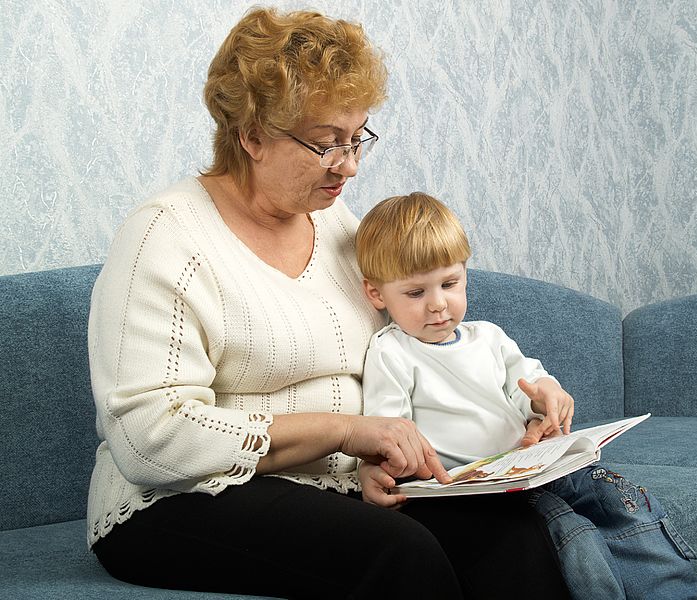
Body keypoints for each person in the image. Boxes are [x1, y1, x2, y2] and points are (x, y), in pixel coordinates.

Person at [86, 8, 571, 600]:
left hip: (338, 486)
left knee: (513, 535)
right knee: (401, 552)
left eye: (356, 138)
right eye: (324, 144)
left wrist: (513, 411)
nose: (348, 165)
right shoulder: (165, 238)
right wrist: (344, 432)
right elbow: (148, 437)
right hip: (178, 500)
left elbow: (413, 356)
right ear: (251, 135)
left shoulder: (342, 229)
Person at [356, 192, 697, 600]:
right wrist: (384, 465)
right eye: (415, 293)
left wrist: (547, 397)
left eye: (450, 283)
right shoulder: (391, 351)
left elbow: (530, 386)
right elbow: (388, 432)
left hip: (534, 467)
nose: (438, 304)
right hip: (477, 491)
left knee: (622, 500)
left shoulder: (489, 337)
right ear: (377, 295)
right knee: (569, 532)